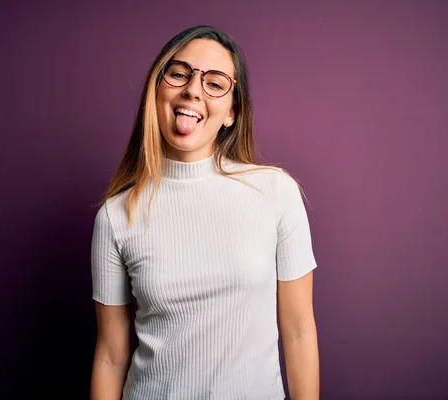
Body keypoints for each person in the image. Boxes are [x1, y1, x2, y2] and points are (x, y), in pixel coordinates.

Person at [90, 25, 319, 400]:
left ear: (231, 113)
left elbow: (298, 331)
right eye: (179, 73)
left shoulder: (276, 193)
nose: (193, 90)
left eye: (215, 83)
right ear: (156, 90)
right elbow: (111, 357)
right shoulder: (115, 216)